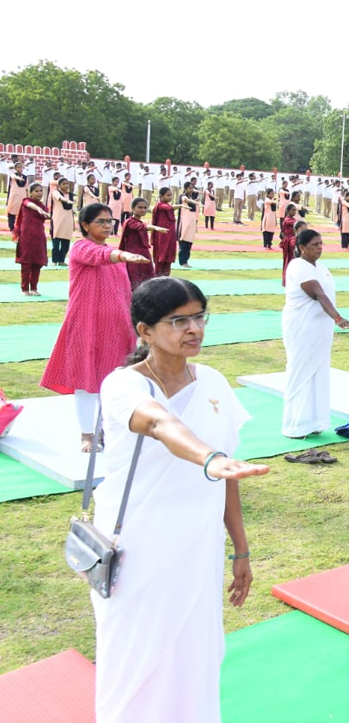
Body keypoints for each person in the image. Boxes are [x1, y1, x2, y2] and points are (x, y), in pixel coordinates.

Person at [92, 277, 268, 723]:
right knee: (134, 651)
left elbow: (228, 473)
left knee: (193, 651)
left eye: (199, 317)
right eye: (178, 321)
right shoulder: (122, 385)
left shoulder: (212, 381)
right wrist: (207, 458)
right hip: (140, 545)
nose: (194, 329)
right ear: (144, 331)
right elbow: (158, 425)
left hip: (197, 544)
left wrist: (241, 550)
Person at [40, 203, 152, 451]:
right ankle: (87, 434)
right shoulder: (81, 248)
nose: (107, 225)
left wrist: (133, 324)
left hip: (116, 327)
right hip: (86, 325)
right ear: (85, 225)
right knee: (85, 380)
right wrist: (123, 255)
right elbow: (98, 256)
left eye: (109, 221)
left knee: (111, 381)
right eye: (101, 221)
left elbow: (124, 293)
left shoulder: (115, 256)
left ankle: (105, 430)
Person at [281, 229, 349, 438]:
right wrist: (337, 317)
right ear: (302, 248)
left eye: (321, 243)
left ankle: (315, 422)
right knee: (300, 371)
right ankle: (294, 426)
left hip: (320, 329)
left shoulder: (320, 267)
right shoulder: (297, 265)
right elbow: (317, 293)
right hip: (302, 327)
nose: (320, 248)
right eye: (315, 244)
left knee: (319, 371)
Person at [118, 197, 167, 292]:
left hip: (144, 252)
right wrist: (156, 228)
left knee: (148, 276)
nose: (143, 210)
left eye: (145, 208)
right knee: (134, 278)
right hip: (132, 253)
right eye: (140, 207)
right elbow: (142, 227)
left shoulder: (138, 221)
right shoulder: (130, 222)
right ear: (132, 208)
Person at [14, 181, 51, 295]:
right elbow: (31, 205)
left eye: (41, 191)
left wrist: (42, 210)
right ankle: (25, 289)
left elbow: (46, 214)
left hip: (39, 237)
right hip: (27, 237)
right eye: (36, 191)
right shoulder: (26, 201)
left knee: (37, 263)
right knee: (26, 263)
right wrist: (38, 209)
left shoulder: (43, 206)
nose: (39, 193)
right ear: (30, 193)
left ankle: (34, 288)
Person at [151, 188, 179, 277]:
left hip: (170, 238)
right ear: (161, 196)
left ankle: (166, 278)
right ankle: (157, 279)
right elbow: (168, 207)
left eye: (171, 195)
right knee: (160, 258)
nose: (170, 197)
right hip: (161, 237)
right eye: (168, 195)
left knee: (168, 259)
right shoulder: (159, 206)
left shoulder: (168, 207)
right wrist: (181, 205)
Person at [49, 177, 76, 266]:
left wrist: (73, 224)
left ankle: (61, 260)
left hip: (68, 220)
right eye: (63, 184)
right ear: (59, 185)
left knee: (66, 242)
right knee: (56, 242)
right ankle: (54, 260)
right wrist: (67, 200)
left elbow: (72, 210)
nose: (66, 185)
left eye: (67, 183)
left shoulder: (71, 194)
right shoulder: (55, 192)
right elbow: (60, 198)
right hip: (58, 219)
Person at [177, 186, 200, 269]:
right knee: (183, 241)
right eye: (189, 188)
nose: (191, 190)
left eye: (192, 188)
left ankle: (186, 260)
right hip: (185, 221)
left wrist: (195, 201)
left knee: (189, 241)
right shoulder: (183, 196)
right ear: (186, 189)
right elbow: (186, 200)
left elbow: (196, 194)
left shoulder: (192, 196)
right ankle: (182, 261)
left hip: (192, 220)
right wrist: (194, 202)